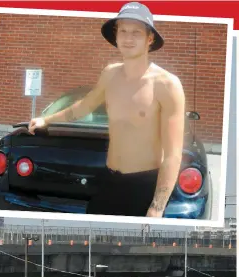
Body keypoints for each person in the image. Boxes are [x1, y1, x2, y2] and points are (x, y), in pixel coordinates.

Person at [28, 2, 186, 218]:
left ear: (150, 39)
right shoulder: (110, 75)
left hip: (144, 185)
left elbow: (173, 155)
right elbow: (85, 105)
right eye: (123, 31)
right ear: (116, 35)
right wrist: (46, 120)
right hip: (110, 180)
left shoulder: (167, 85)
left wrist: (157, 207)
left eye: (136, 33)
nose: (128, 38)